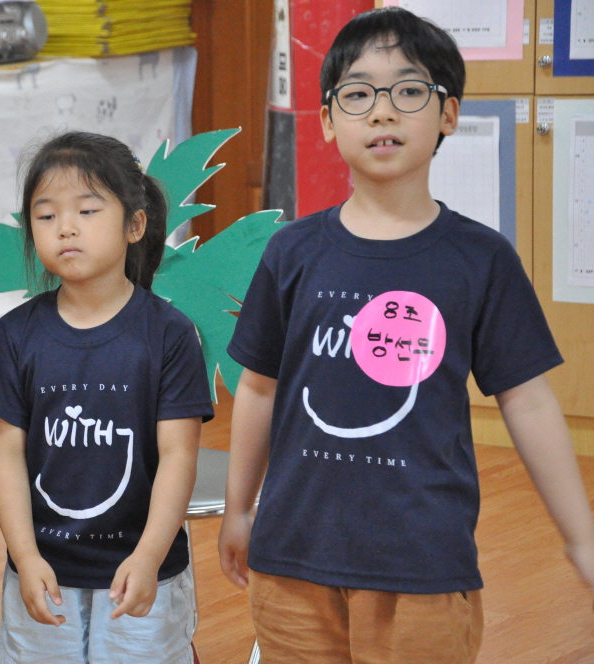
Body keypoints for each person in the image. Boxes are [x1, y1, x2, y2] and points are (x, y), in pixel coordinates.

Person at [218, 7, 594, 664]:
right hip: (292, 560)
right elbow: (257, 389)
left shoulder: (480, 259)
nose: (383, 112)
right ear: (328, 121)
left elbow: (529, 401)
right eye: (358, 94)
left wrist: (581, 537)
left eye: (409, 91)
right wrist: (239, 509)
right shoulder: (292, 252)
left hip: (423, 564)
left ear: (448, 114)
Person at [0, 131, 215, 664]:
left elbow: (179, 457)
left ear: (134, 225)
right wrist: (24, 555)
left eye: (87, 211)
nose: (65, 227)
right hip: (45, 570)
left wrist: (149, 555)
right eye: (46, 215)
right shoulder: (15, 334)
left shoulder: (169, 334)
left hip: (141, 567)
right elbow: (5, 452)